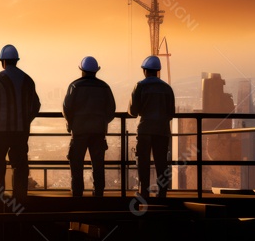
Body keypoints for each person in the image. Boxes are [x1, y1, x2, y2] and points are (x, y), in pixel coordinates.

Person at [0, 44, 40, 202]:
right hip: (20, 132)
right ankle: (20, 197)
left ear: (3, 61)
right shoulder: (27, 80)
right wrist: (25, 120)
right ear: (16, 61)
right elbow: (36, 105)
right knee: (20, 165)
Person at [62, 56, 116, 197]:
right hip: (98, 132)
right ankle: (98, 195)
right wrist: (102, 122)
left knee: (76, 165)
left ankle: (77, 195)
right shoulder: (104, 87)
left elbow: (67, 108)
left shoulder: (75, 86)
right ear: (96, 71)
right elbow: (111, 110)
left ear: (82, 70)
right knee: (98, 165)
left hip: (79, 132)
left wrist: (71, 124)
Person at [128, 55, 175, 197]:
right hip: (162, 130)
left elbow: (132, 111)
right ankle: (162, 192)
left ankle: (144, 191)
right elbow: (171, 113)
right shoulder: (167, 88)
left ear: (145, 70)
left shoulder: (140, 86)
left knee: (143, 162)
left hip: (145, 129)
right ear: (158, 71)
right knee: (161, 162)